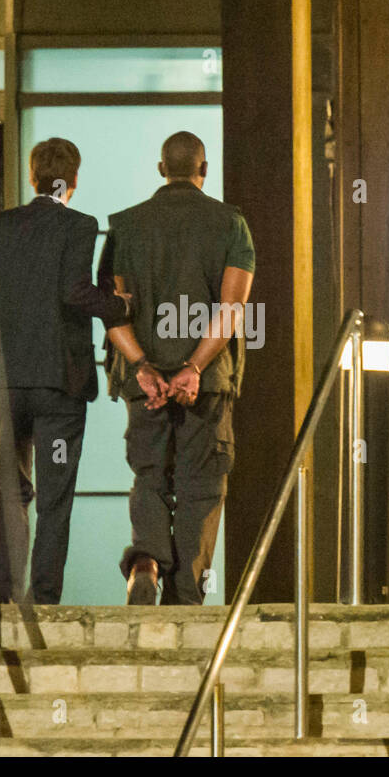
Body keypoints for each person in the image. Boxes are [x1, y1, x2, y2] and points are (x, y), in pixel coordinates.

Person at [100, 131, 255, 605]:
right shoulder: (231, 224)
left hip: (143, 381)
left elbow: (113, 311)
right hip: (205, 383)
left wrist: (144, 366)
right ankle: (185, 594)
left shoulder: (126, 226)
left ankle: (145, 562)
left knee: (149, 476)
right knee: (201, 486)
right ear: (202, 170)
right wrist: (193, 367)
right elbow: (231, 309)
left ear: (160, 168)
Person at [0, 138, 131, 604]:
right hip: (60, 389)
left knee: (9, 490)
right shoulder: (79, 225)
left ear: (32, 176)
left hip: (7, 385)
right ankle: (44, 598)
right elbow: (75, 293)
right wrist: (120, 306)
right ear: (74, 180)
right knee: (56, 496)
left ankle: (4, 593)